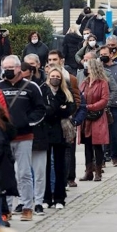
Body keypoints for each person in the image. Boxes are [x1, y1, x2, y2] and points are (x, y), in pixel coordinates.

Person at [0, 55, 46, 222]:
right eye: (5, 68)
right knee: (6, 173)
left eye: (11, 68)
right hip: (4, 137)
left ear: (18, 68)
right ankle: (6, 208)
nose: (8, 71)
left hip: (24, 136)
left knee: (24, 173)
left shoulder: (31, 87)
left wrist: (27, 121)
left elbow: (40, 109)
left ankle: (27, 206)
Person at [41, 65, 75, 209]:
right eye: (52, 76)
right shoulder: (43, 90)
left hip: (61, 133)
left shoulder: (66, 92)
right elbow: (43, 110)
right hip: (46, 132)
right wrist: (58, 109)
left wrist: (58, 110)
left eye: (57, 77)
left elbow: (70, 108)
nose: (55, 79)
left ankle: (60, 198)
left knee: (60, 166)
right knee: (46, 166)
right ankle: (47, 197)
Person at [79, 58, 110, 182]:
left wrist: (89, 107)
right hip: (86, 118)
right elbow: (80, 96)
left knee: (97, 145)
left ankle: (98, 171)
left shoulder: (102, 83)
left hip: (97, 117)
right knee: (87, 146)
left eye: (89, 67)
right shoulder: (85, 82)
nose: (87, 69)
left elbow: (104, 100)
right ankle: (88, 171)